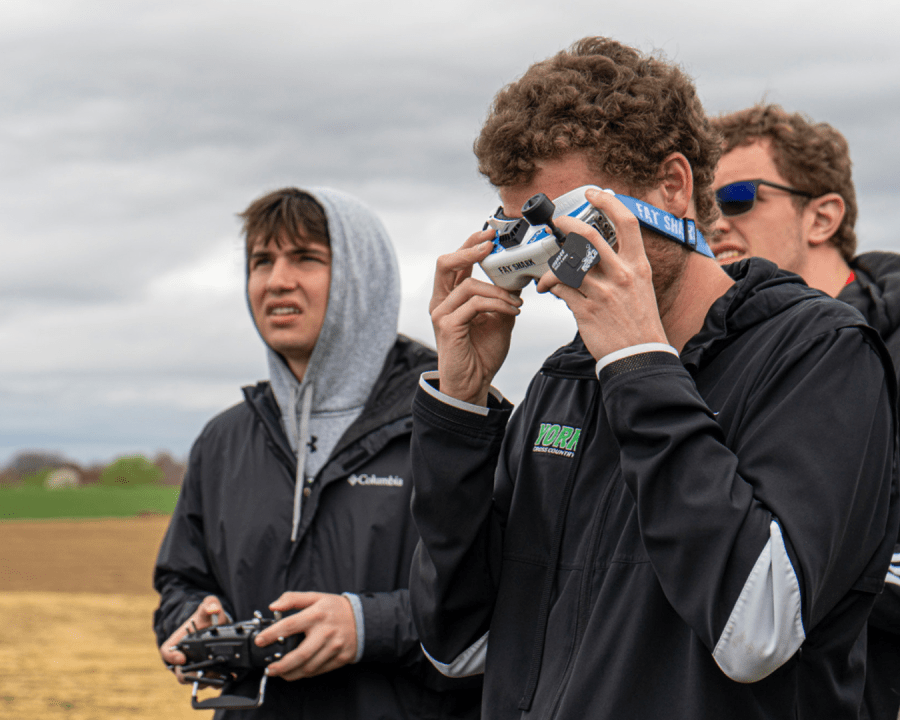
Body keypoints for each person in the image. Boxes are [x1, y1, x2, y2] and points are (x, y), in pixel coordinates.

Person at [407, 37, 899, 719]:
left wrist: (639, 363)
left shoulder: (820, 353)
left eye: (563, 221)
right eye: (520, 232)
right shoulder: (568, 379)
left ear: (673, 185)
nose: (547, 263)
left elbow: (754, 632)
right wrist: (459, 411)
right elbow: (456, 645)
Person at [153, 187, 481, 719]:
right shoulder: (223, 441)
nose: (277, 280)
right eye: (261, 261)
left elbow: (509, 606)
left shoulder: (457, 421)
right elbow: (181, 579)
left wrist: (367, 626)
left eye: (306, 258)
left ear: (362, 277)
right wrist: (191, 619)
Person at [710, 103, 900, 720]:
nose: (714, 222)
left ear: (822, 216)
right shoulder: (712, 359)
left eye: (738, 198)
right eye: (701, 206)